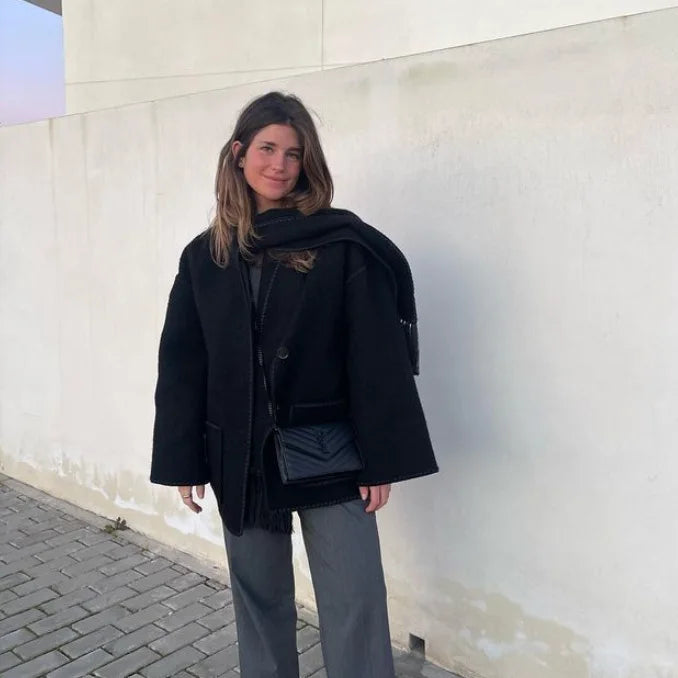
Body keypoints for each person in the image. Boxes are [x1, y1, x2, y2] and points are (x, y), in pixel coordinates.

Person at [150, 91, 438, 678]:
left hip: (329, 450)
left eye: (294, 153)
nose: (279, 165)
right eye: (267, 148)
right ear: (239, 153)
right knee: (259, 601)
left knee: (355, 599)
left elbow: (374, 356)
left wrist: (380, 458)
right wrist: (183, 458)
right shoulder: (205, 257)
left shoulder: (337, 245)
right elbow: (183, 364)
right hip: (239, 455)